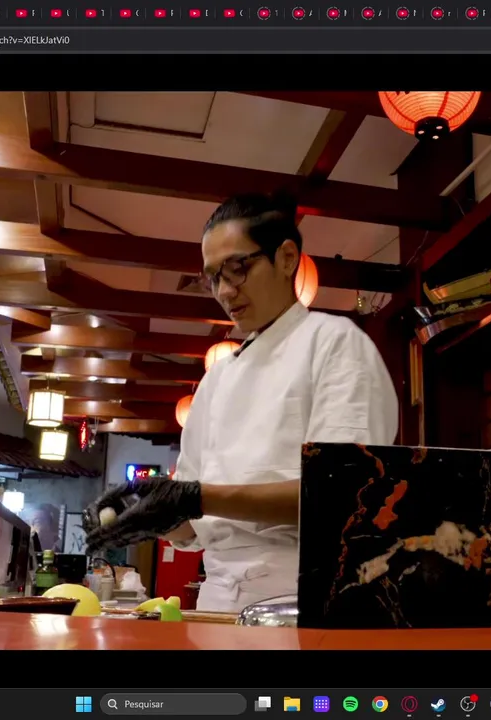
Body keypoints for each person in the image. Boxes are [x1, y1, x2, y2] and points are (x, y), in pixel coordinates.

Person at [83, 192, 399, 612]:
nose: (225, 291)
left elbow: (343, 492)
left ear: (286, 258)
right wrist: (143, 515)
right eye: (213, 278)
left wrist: (195, 498)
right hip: (215, 596)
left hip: (305, 594)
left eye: (238, 269)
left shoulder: (335, 343)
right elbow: (191, 529)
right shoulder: (217, 379)